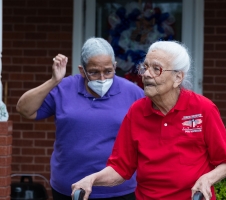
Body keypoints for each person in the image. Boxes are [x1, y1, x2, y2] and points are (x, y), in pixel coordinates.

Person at [71, 40, 226, 200]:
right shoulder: (136, 112)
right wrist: (91, 179)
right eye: (145, 67)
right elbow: (120, 169)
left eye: (156, 69)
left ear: (178, 78)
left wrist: (207, 179)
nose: (146, 74)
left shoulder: (203, 109)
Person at [16, 37, 144, 200]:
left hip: (119, 190)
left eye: (108, 71)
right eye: (94, 72)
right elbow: (24, 110)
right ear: (82, 71)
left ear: (115, 67)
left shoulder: (133, 93)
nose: (103, 78)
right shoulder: (63, 88)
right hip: (69, 190)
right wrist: (54, 81)